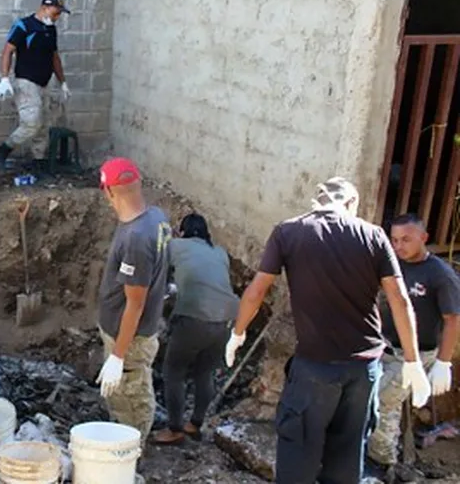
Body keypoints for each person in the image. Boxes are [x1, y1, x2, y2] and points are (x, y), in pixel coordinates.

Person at [225, 177, 432, 483]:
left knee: (298, 459)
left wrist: (237, 333)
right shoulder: (373, 235)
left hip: (315, 369)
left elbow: (256, 292)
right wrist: (414, 362)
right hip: (363, 372)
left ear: (317, 202)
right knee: (347, 460)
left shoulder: (289, 231)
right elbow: (400, 300)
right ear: (351, 204)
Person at [367, 213, 460, 479]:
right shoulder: (392, 264)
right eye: (394, 240)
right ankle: (379, 452)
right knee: (376, 400)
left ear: (424, 238)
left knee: (383, 402)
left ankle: (382, 462)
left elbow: (453, 319)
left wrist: (443, 362)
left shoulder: (440, 274)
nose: (398, 246)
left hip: (418, 356)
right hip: (385, 347)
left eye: (406, 239)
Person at [95, 157, 170, 442]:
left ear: (109, 192)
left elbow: (135, 304)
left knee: (132, 395)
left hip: (131, 338)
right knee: (122, 392)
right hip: (125, 333)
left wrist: (117, 356)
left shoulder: (136, 237)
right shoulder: (156, 217)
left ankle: (131, 449)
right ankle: (119, 430)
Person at [151, 213, 239, 445]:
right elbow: (209, 280)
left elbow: (156, 268)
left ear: (182, 231)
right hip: (225, 321)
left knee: (174, 372)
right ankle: (195, 424)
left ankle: (174, 429)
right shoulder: (219, 252)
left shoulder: (175, 246)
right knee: (204, 372)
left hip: (194, 318)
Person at [0, 0, 71, 172]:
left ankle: (38, 161)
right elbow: (7, 51)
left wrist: (62, 81)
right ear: (44, 8)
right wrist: (4, 78)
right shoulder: (24, 26)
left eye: (60, 14)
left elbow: (54, 56)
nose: (57, 17)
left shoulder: (51, 29)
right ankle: (2, 151)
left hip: (45, 81)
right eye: (56, 13)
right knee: (32, 122)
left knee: (44, 123)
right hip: (26, 81)